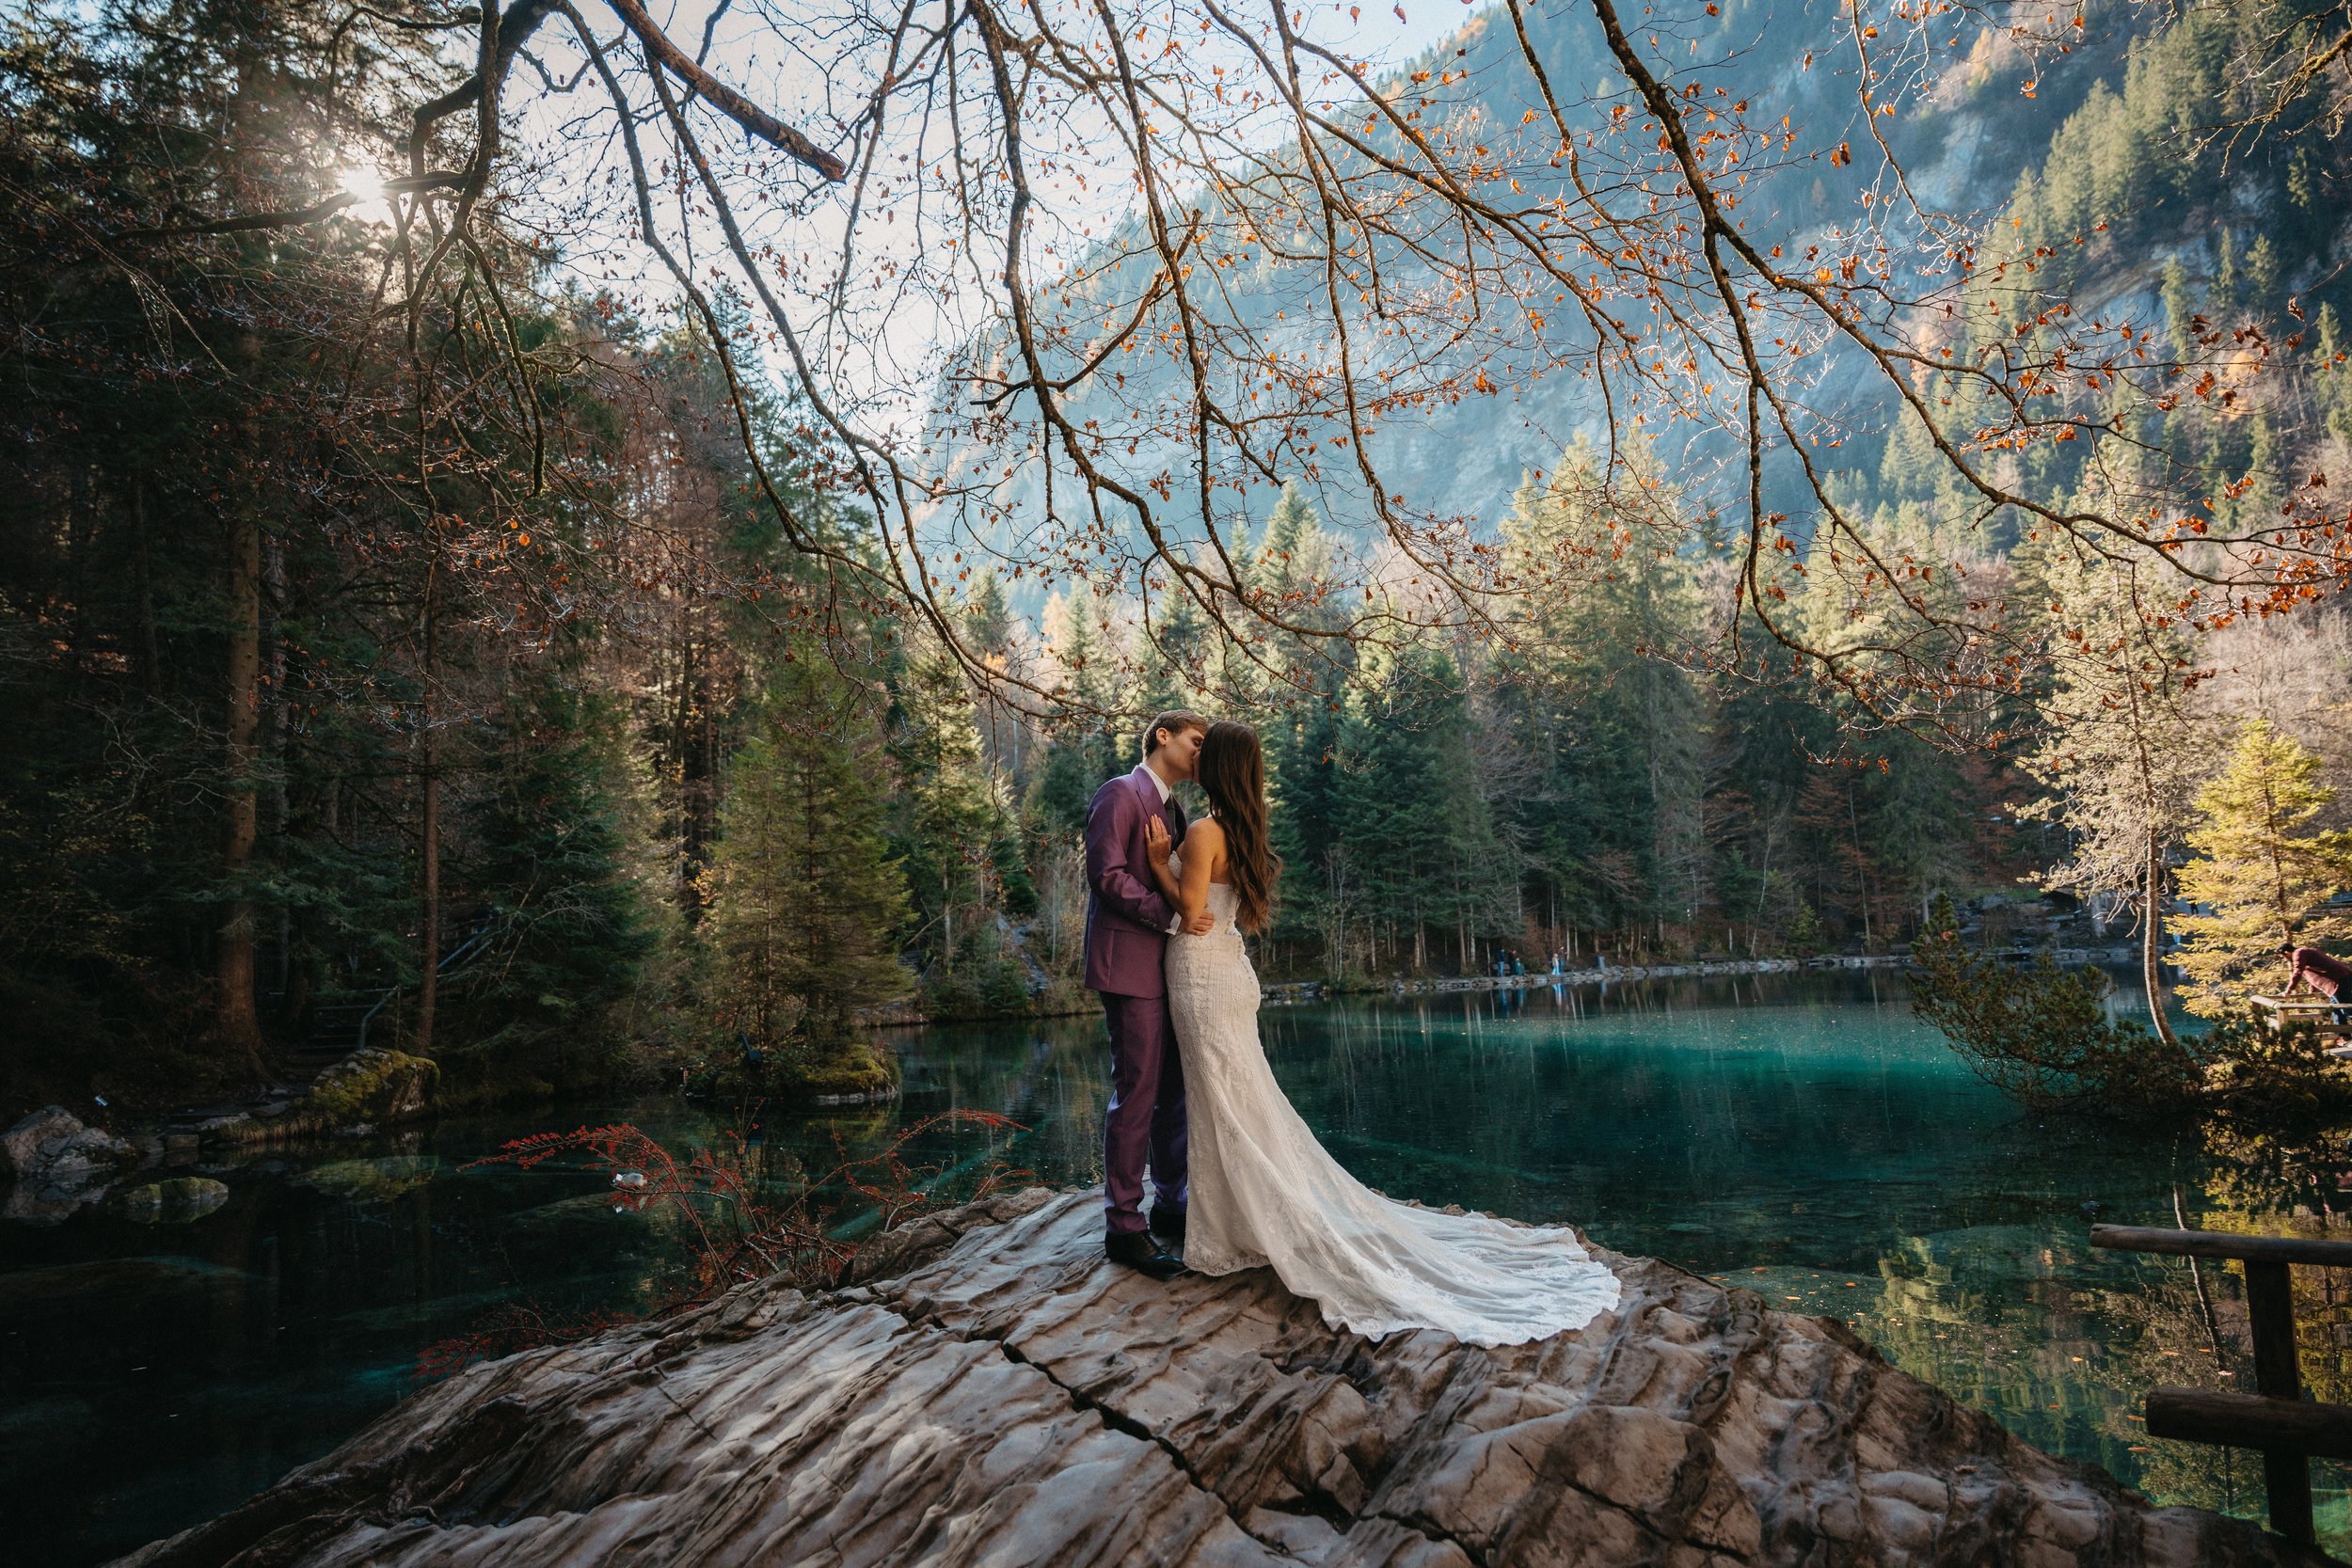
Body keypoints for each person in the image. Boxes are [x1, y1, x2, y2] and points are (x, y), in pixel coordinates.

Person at [1144, 720, 1620, 1345]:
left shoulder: (1205, 831)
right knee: (1238, 1105)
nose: (1197, 754)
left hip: (1203, 975)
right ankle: (1241, 1223)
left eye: (1209, 749)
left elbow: (1192, 910)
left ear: (1222, 765)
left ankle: (1240, 1229)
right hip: (1227, 974)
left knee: (1226, 1106)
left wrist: (1157, 863)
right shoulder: (1243, 830)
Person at [1083, 709, 1213, 1279]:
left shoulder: (1174, 808)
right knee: (1135, 1093)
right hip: (1128, 967)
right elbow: (1107, 875)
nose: (1202, 752)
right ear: (1163, 737)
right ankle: (1124, 1228)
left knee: (1174, 1093)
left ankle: (1170, 1202)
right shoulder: (1120, 793)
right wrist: (1172, 917)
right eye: (1196, 741)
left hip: (1168, 972)